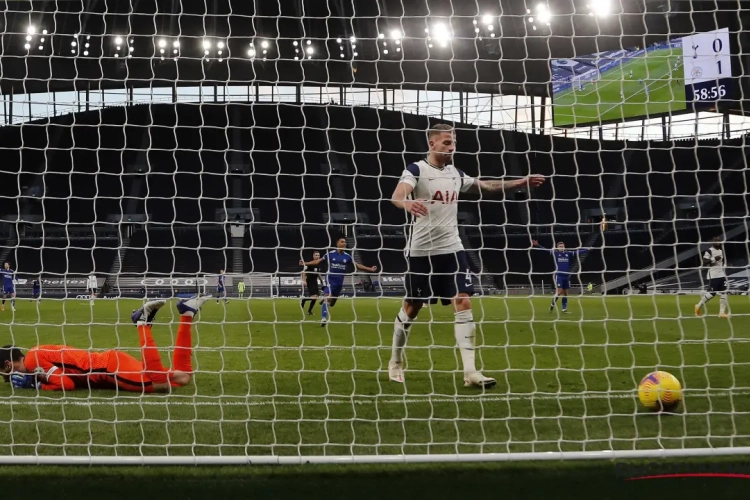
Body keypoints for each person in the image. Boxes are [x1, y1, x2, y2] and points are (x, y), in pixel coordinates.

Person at [389, 123, 545, 388]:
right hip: (422, 253)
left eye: (454, 143)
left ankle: (471, 372)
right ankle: (395, 361)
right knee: (412, 308)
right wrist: (407, 203)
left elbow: (485, 187)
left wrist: (520, 182)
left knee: (463, 301)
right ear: (432, 144)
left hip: (453, 249)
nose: (452, 147)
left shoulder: (455, 174)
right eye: (447, 142)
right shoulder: (416, 169)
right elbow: (397, 195)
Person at [0, 296, 210, 392]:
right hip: (111, 362)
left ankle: (142, 322)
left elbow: (66, 384)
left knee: (159, 383)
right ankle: (187, 312)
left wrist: (38, 384)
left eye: (4, 375)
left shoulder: (33, 359)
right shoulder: (36, 353)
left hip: (110, 370)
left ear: (9, 365)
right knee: (183, 377)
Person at [299, 237, 377, 326]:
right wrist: (305, 263)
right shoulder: (331, 254)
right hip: (330, 279)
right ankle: (323, 318)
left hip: (339, 282)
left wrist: (370, 269)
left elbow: (358, 266)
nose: (344, 244)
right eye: (342, 242)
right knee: (327, 297)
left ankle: (324, 300)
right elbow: (317, 262)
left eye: (345, 242)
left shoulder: (347, 257)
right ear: (337, 244)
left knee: (331, 304)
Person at [532, 240, 590, 313]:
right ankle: (553, 303)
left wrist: (586, 250)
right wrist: (538, 245)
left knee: (565, 293)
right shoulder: (555, 253)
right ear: (557, 247)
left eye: (562, 246)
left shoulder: (568, 253)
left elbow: (577, 252)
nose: (562, 247)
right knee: (559, 292)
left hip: (567, 276)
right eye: (560, 246)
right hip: (559, 276)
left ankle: (564, 309)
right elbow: (546, 250)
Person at [695, 236, 729, 318]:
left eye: (718, 240)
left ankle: (721, 313)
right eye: (715, 240)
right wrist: (714, 259)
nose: (717, 242)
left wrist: (725, 265)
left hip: (721, 275)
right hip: (713, 275)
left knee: (725, 292)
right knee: (712, 294)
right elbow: (704, 262)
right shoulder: (709, 251)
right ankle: (698, 306)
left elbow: (720, 262)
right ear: (712, 242)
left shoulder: (721, 251)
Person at [300, 251, 325, 315]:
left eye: (318, 255)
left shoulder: (318, 264)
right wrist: (304, 280)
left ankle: (309, 311)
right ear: (313, 256)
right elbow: (303, 271)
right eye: (316, 255)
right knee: (314, 296)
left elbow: (318, 273)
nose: (317, 256)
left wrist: (322, 281)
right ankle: (304, 299)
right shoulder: (310, 263)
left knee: (315, 298)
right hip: (310, 281)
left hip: (315, 281)